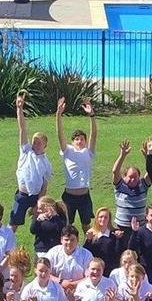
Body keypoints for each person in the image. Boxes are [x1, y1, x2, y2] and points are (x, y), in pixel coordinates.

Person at [10, 93, 53, 227]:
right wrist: (19, 109)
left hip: (36, 197)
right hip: (22, 194)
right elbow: (22, 128)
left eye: (39, 143)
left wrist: (39, 202)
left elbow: (45, 185)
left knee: (38, 223)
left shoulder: (46, 163)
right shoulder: (26, 151)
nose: (35, 144)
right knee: (13, 223)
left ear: (45, 145)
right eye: (34, 142)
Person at [54, 97, 98, 227]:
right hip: (69, 197)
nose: (79, 141)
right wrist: (58, 114)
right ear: (72, 142)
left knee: (86, 225)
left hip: (85, 196)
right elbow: (59, 134)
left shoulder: (88, 152)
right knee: (67, 225)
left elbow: (94, 134)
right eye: (77, 139)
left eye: (82, 139)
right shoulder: (67, 151)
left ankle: (88, 246)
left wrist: (92, 115)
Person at [111, 140, 150, 229]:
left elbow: (151, 172)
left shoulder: (142, 185)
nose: (133, 179)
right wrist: (122, 155)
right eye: (130, 177)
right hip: (122, 228)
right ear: (124, 177)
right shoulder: (120, 186)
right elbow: (115, 171)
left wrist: (147, 157)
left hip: (140, 227)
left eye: (135, 177)